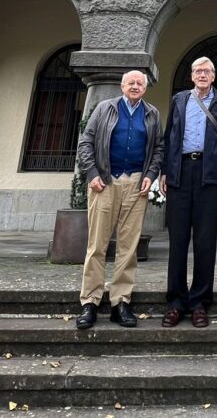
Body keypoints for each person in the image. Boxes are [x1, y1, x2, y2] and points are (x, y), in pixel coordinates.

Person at [75, 70, 163, 330]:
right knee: (97, 245)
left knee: (128, 247)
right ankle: (90, 301)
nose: (135, 86)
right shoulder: (105, 108)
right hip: (105, 183)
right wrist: (91, 172)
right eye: (131, 83)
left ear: (145, 88)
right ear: (122, 86)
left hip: (136, 184)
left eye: (140, 83)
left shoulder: (152, 114)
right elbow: (86, 142)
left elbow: (158, 147)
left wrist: (150, 174)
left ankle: (120, 302)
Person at [159, 56, 217, 328]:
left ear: (213, 76)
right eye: (198, 71)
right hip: (180, 174)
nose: (202, 75)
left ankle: (200, 302)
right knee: (178, 241)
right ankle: (176, 302)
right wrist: (165, 171)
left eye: (207, 71)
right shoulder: (179, 100)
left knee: (205, 242)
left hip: (208, 175)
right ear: (192, 76)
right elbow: (169, 138)